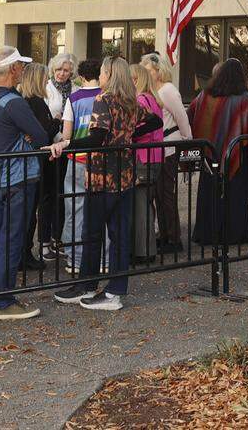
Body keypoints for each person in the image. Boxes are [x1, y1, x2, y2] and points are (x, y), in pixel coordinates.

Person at [53, 57, 159, 311]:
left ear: (109, 74)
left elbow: (96, 137)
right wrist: (129, 136)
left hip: (101, 177)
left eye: (102, 72)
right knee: (118, 235)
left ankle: (93, 286)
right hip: (125, 176)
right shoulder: (130, 101)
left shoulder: (105, 99)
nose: (99, 76)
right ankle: (108, 288)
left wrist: (65, 145)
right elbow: (155, 121)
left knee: (92, 233)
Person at [0, 47, 63, 320]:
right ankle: (3, 300)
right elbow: (40, 135)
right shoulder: (13, 102)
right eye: (21, 66)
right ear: (13, 69)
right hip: (18, 176)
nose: (24, 70)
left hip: (2, 176)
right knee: (11, 238)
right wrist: (30, 136)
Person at [188, 58, 248, 246]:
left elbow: (192, 115)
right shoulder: (244, 99)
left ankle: (207, 232)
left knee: (209, 194)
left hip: (210, 155)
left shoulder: (205, 95)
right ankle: (234, 234)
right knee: (235, 195)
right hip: (235, 154)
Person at [141, 53, 190, 254]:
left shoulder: (168, 90)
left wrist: (188, 142)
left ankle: (173, 237)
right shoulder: (154, 90)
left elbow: (181, 117)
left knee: (166, 193)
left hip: (169, 146)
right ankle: (164, 234)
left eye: (148, 70)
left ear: (158, 71)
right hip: (160, 147)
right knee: (159, 194)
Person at [18, 62, 62, 272]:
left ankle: (25, 252)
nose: (48, 81)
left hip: (36, 160)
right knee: (30, 208)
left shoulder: (29, 101)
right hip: (36, 160)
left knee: (30, 208)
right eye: (45, 78)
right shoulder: (34, 102)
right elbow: (42, 133)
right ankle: (24, 254)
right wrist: (56, 121)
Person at [59, 58, 102, 272]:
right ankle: (102, 260)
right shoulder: (106, 96)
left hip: (77, 158)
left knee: (74, 210)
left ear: (82, 76)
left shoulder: (73, 98)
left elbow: (66, 134)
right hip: (101, 160)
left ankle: (74, 259)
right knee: (100, 211)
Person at [39, 52, 77, 262]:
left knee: (63, 194)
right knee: (47, 195)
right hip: (50, 147)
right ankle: (44, 241)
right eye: (58, 70)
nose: (62, 74)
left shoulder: (77, 90)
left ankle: (58, 237)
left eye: (66, 70)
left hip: (68, 147)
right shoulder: (46, 89)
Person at [130, 62, 163, 262]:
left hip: (144, 156)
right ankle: (147, 249)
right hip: (154, 157)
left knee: (140, 205)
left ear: (135, 80)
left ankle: (143, 251)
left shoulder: (141, 99)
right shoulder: (152, 98)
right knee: (146, 205)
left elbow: (142, 129)